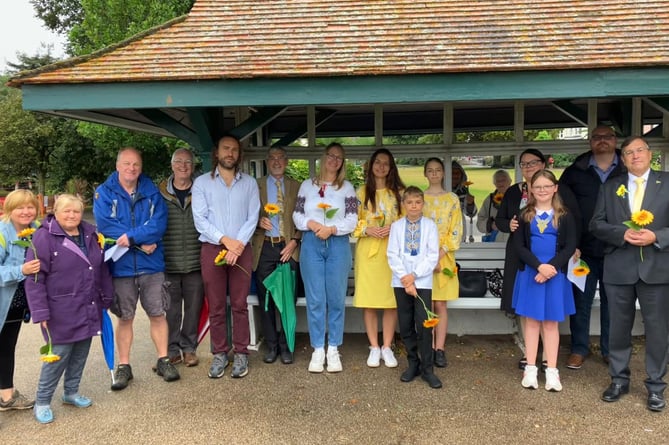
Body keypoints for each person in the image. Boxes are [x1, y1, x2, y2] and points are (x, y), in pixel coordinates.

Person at [591, 136, 669, 412]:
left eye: (639, 150)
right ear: (622, 160)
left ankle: (656, 386)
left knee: (658, 330)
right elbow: (596, 225)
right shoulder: (611, 186)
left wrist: (656, 236)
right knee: (618, 329)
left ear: (650, 155)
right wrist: (622, 233)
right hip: (619, 268)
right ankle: (619, 379)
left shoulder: (667, 182)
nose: (635, 156)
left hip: (657, 269)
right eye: (628, 153)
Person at [94, 147, 179, 390]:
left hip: (151, 266)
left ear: (141, 168)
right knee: (125, 317)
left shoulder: (153, 192)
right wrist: (140, 241)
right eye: (127, 164)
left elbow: (159, 225)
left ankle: (164, 360)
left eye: (136, 165)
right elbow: (106, 226)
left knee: (157, 314)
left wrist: (130, 238)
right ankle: (124, 366)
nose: (131, 169)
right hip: (120, 267)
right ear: (117, 165)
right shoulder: (104, 192)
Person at [25, 194, 114, 424]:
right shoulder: (43, 237)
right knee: (59, 355)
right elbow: (35, 278)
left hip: (88, 304)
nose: (72, 215)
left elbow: (101, 268)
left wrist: (107, 297)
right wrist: (40, 312)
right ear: (56, 211)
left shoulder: (91, 234)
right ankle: (42, 400)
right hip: (59, 308)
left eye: (76, 211)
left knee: (80, 352)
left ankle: (71, 392)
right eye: (67, 211)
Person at [496, 149, 581, 368]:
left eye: (533, 162)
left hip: (554, 258)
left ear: (543, 164)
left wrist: (574, 248)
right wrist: (509, 225)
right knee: (526, 305)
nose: (528, 167)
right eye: (524, 164)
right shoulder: (514, 191)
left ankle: (547, 358)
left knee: (550, 307)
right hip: (521, 253)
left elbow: (573, 222)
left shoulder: (558, 192)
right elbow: (501, 219)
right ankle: (530, 354)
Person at [193, 135, 260, 379]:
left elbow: (253, 217)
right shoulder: (201, 183)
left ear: (239, 155)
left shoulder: (250, 183)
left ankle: (241, 352)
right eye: (225, 149)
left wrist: (236, 246)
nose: (230, 153)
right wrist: (225, 240)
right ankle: (220, 353)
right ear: (217, 153)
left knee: (240, 304)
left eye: (234, 150)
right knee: (217, 305)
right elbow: (200, 220)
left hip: (241, 251)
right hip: (213, 249)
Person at [559, 125, 626, 370]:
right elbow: (563, 211)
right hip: (582, 250)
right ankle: (579, 348)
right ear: (590, 142)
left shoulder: (627, 169)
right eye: (597, 137)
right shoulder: (574, 172)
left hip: (617, 249)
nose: (602, 141)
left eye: (607, 137)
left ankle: (610, 350)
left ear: (615, 140)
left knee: (614, 302)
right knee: (581, 301)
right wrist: (571, 245)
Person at [293, 142, 357, 373]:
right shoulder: (307, 186)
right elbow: (297, 214)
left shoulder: (347, 188)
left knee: (336, 299)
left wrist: (331, 229)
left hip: (337, 244)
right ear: (324, 157)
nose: (334, 160)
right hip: (311, 243)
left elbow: (352, 219)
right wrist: (310, 223)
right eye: (331, 155)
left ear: (342, 163)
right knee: (316, 299)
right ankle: (318, 348)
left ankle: (334, 348)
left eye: (339, 157)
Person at [512, 171, 577, 392]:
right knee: (531, 323)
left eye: (546, 186)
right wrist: (538, 266)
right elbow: (519, 246)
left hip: (554, 276)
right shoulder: (524, 215)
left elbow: (570, 246)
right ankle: (530, 369)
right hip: (531, 274)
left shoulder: (565, 215)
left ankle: (551, 371)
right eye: (537, 186)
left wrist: (551, 268)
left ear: (555, 188)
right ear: (531, 189)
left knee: (550, 324)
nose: (542, 190)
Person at [352, 148, 404, 368]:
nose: (381, 167)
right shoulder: (361, 192)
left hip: (392, 253)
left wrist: (394, 228)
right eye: (377, 162)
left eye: (386, 163)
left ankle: (387, 346)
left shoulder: (399, 193)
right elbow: (351, 221)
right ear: (371, 165)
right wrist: (367, 230)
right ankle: (374, 346)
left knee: (391, 302)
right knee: (370, 302)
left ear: (391, 167)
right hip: (368, 252)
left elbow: (408, 220)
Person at [387, 186, 441, 388]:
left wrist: (414, 276)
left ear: (423, 204)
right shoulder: (397, 226)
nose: (414, 206)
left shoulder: (430, 226)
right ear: (403, 204)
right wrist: (405, 278)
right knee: (406, 323)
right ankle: (413, 363)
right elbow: (392, 254)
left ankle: (428, 369)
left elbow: (432, 255)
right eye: (409, 202)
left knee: (424, 324)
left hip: (423, 281)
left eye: (418, 202)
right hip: (400, 282)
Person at [252, 147, 301, 365]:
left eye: (280, 157)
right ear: (266, 161)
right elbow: (244, 215)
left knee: (287, 300)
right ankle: (271, 346)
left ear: (287, 161)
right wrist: (257, 222)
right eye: (272, 158)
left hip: (288, 247)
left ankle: (286, 345)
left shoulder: (297, 187)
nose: (277, 161)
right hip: (265, 248)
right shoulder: (256, 186)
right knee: (267, 299)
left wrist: (295, 241)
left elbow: (305, 218)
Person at [159, 148, 204, 367]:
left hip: (196, 261)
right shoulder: (159, 193)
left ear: (193, 166)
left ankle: (189, 349)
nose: (183, 166)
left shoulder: (203, 191)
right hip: (169, 261)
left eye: (188, 162)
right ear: (172, 165)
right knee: (171, 310)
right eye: (179, 161)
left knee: (193, 309)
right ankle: (171, 349)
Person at [0, 190, 40, 414]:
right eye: (20, 207)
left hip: (16, 303)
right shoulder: (2, 232)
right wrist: (20, 270)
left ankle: (6, 395)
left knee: (6, 347)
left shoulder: (36, 230)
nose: (26, 211)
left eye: (30, 207)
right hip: (3, 298)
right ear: (9, 209)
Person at [423, 158, 462, 368]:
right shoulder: (419, 198)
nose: (435, 173)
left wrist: (439, 254)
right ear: (425, 174)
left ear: (443, 173)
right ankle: (427, 347)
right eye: (430, 170)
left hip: (444, 256)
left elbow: (456, 230)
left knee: (440, 304)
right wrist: (428, 257)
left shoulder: (452, 199)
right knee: (426, 303)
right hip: (423, 258)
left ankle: (440, 348)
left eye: (438, 170)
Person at [477, 170, 512, 243]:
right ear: (494, 183)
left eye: (503, 180)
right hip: (494, 244)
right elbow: (479, 222)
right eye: (498, 181)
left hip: (513, 243)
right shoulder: (489, 200)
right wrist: (490, 225)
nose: (501, 183)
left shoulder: (518, 197)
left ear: (510, 181)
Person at [451, 161, 477, 242]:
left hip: (459, 224)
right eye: (452, 173)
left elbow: (471, 214)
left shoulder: (463, 191)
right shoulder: (440, 189)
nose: (455, 175)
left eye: (457, 173)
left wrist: (470, 203)